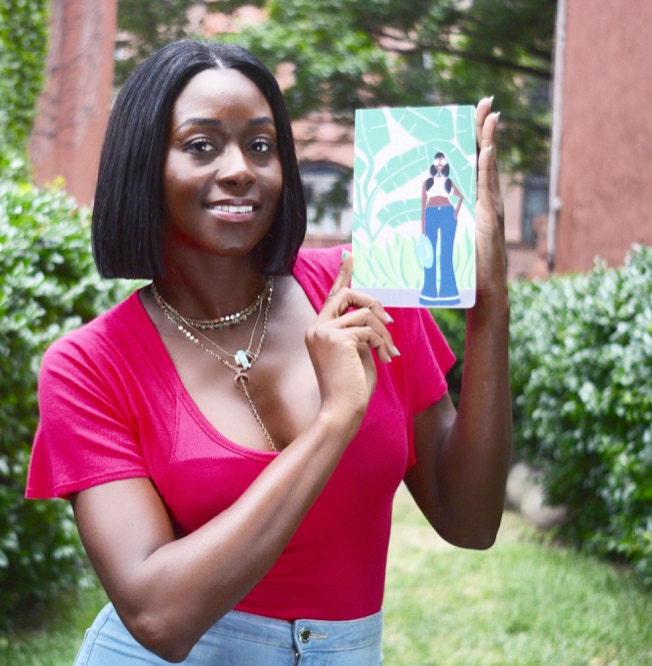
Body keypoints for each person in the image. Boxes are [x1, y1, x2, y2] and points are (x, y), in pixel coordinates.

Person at [26, 39, 511, 665]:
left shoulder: (364, 293)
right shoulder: (90, 366)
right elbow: (158, 615)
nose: (240, 170)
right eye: (202, 146)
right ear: (144, 164)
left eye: (261, 145)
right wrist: (335, 419)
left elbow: (470, 521)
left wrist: (490, 307)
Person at [419, 151, 466, 306]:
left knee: (446, 253)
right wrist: (423, 227)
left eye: (442, 162)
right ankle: (429, 291)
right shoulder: (427, 182)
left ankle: (448, 292)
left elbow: (460, 197)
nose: (439, 165)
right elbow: (423, 204)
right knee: (429, 255)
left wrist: (455, 213)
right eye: (437, 162)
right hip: (431, 213)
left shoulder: (448, 182)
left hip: (447, 213)